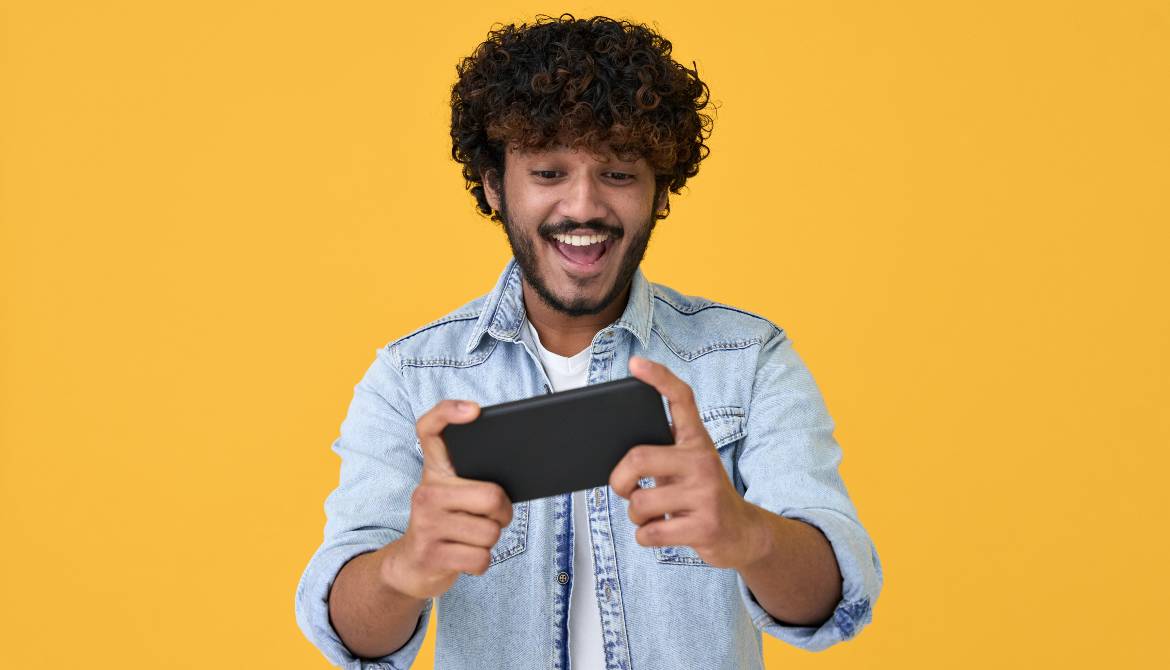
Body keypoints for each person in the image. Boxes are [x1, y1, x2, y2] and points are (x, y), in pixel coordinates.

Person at [295, 13, 882, 669]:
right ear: (494, 187)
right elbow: (347, 632)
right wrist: (404, 566)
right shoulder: (413, 377)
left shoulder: (747, 358)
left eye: (619, 173)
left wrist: (748, 534)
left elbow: (835, 598)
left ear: (661, 193)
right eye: (548, 172)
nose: (583, 207)